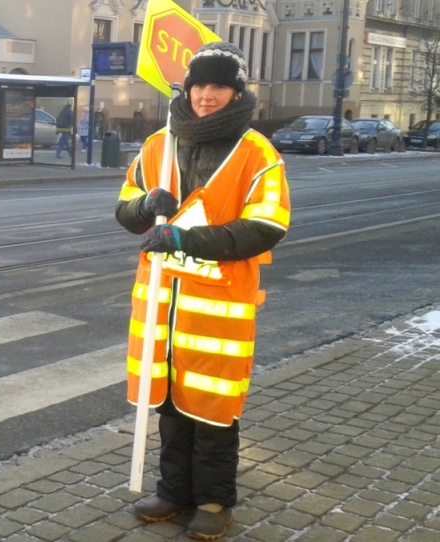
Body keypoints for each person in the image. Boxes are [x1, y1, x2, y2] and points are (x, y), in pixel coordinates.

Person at [114, 42, 291, 540]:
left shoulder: (257, 152)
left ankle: (214, 500)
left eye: (218, 86)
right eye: (199, 85)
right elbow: (125, 209)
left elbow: (266, 225)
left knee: (214, 412)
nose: (206, 96)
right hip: (162, 308)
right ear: (186, 89)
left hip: (218, 313)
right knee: (169, 405)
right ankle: (174, 492)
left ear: (236, 93)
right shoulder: (158, 145)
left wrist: (187, 237)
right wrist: (147, 203)